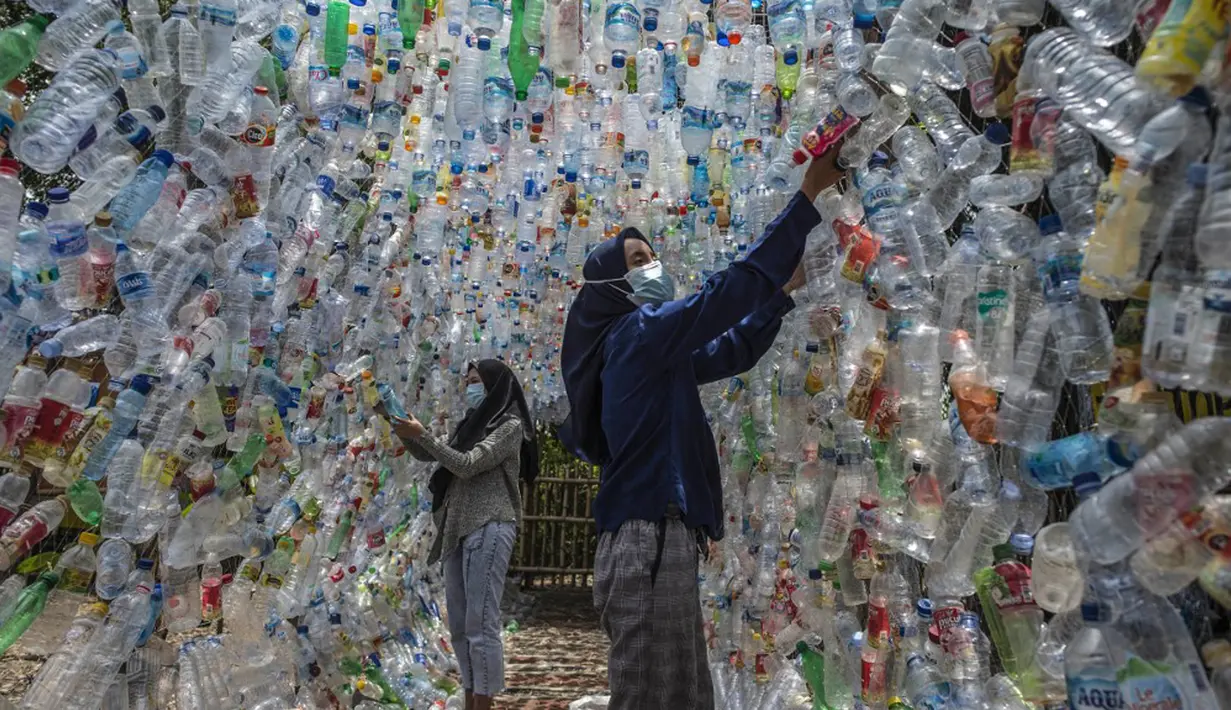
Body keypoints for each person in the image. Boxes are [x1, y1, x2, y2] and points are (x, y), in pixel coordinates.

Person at [559, 150, 846, 709]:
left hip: (661, 538)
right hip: (647, 537)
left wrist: (783, 294)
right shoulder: (636, 333)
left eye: (652, 255)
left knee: (684, 693)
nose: (653, 266)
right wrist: (806, 200)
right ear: (609, 285)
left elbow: (729, 349)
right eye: (638, 259)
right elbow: (722, 297)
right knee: (650, 696)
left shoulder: (653, 354)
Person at [382, 359, 540, 710]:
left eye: (476, 381)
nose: (469, 387)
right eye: (467, 381)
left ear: (495, 388)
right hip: (456, 530)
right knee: (459, 624)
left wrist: (423, 434)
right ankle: (471, 699)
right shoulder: (470, 425)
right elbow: (431, 454)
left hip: (490, 524)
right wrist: (392, 415)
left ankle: (484, 703)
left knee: (480, 623)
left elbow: (466, 465)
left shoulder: (509, 426)